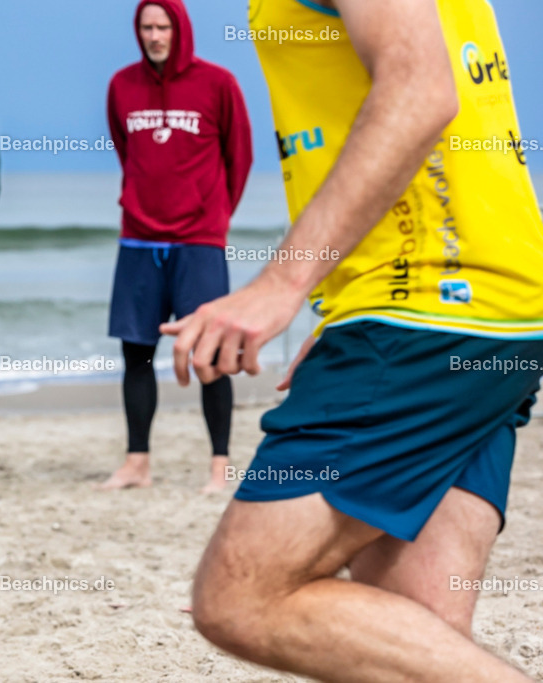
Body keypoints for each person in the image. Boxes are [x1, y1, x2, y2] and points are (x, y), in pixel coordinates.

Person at [164, 0, 543, 680]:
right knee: (409, 629)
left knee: (239, 596)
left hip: (425, 310)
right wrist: (344, 297)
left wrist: (283, 282)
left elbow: (422, 87)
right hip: (490, 308)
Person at [99, 0, 252, 492]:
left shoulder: (218, 83)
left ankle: (219, 465)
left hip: (198, 241)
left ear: (179, 28)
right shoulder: (123, 85)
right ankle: (137, 462)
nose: (155, 35)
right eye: (146, 27)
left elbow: (240, 156)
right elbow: (128, 151)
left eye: (163, 26)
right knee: (136, 354)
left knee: (209, 355)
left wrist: (216, 218)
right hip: (139, 238)